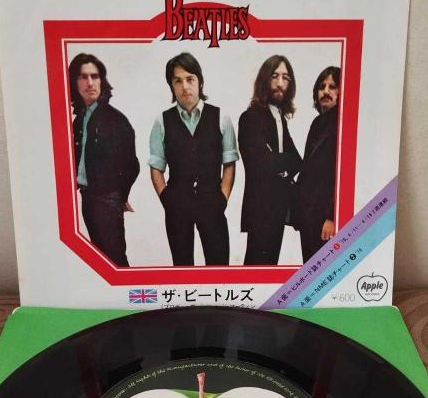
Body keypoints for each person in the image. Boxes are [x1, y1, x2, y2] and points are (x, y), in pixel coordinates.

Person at [148, 52, 238, 266]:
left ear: (200, 82)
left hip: (212, 203)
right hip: (177, 205)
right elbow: (156, 165)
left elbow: (229, 162)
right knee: (182, 267)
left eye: (190, 79)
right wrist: (166, 199)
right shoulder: (162, 121)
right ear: (171, 86)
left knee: (218, 266)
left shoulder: (221, 117)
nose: (185, 86)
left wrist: (222, 198)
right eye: (177, 81)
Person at [69, 53, 139, 267]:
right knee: (99, 259)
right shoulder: (79, 120)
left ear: (102, 81)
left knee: (115, 259)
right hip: (87, 196)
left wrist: (119, 196)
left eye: (95, 76)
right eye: (83, 77)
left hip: (106, 200)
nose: (90, 83)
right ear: (74, 82)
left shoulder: (115, 119)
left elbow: (131, 165)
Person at [238, 55, 302, 265]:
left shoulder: (280, 118)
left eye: (285, 77)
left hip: (280, 207)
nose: (280, 83)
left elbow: (297, 161)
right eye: (275, 76)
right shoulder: (250, 118)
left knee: (269, 267)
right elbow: (261, 165)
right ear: (264, 79)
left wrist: (278, 163)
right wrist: (279, 164)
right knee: (255, 268)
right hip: (260, 208)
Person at [291, 66, 340, 263]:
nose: (326, 91)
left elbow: (341, 175)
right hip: (308, 215)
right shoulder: (317, 123)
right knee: (310, 269)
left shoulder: (343, 124)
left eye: (332, 86)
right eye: (322, 87)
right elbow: (308, 169)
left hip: (325, 217)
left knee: (325, 270)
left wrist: (332, 216)